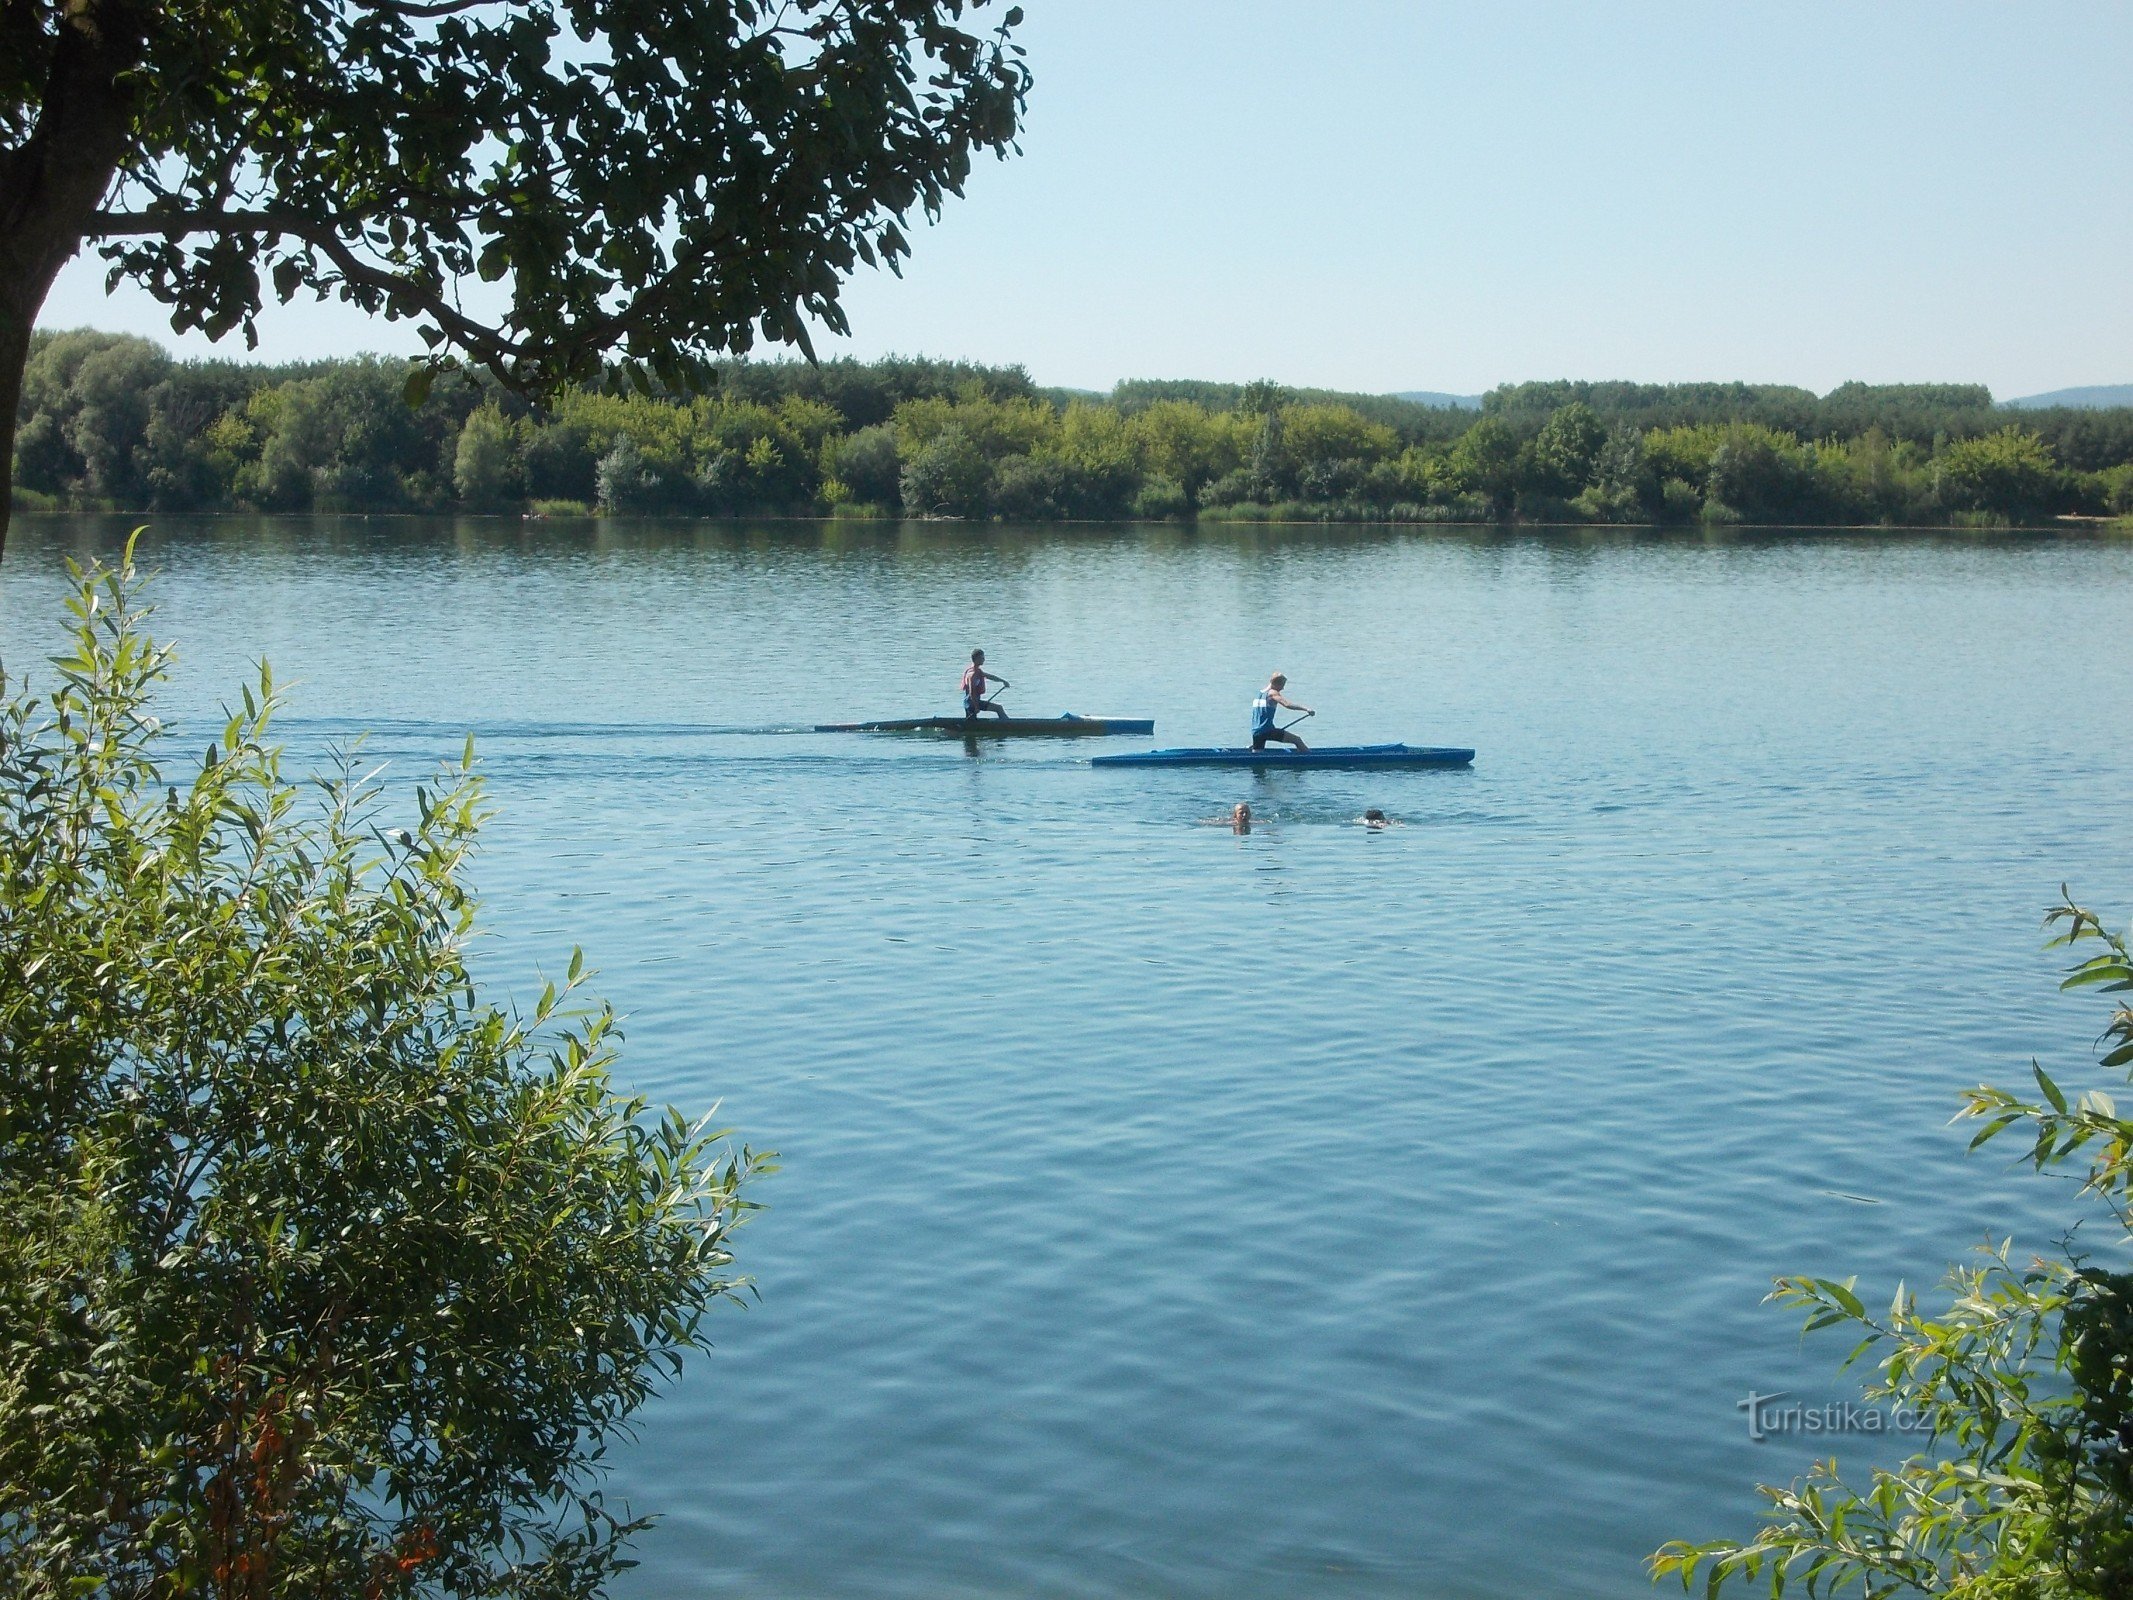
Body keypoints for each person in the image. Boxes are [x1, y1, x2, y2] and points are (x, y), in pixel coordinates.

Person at [1250, 672, 1312, 751]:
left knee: (1257, 756)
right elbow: (1287, 704)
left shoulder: (1260, 693)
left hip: (1256, 731)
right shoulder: (1273, 693)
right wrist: (1306, 709)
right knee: (1297, 740)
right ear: (1277, 683)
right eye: (1282, 685)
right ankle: (1310, 760)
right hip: (1267, 730)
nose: (1283, 688)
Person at [960, 648, 1008, 720]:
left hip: (972, 702)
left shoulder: (977, 671)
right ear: (976, 658)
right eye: (982, 658)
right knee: (998, 708)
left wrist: (1003, 681)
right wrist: (976, 707)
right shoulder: (972, 674)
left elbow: (990, 676)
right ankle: (1007, 725)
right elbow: (971, 692)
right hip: (971, 703)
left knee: (972, 721)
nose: (984, 659)